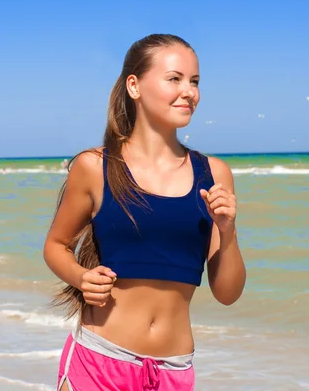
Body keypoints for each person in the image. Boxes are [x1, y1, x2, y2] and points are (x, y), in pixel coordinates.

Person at [43, 33, 246, 391]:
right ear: (134, 86)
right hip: (100, 362)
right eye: (175, 79)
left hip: (174, 370)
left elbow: (228, 294)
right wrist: (80, 277)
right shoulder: (95, 166)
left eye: (195, 81)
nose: (190, 92)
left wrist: (227, 231)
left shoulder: (214, 173)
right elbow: (56, 245)